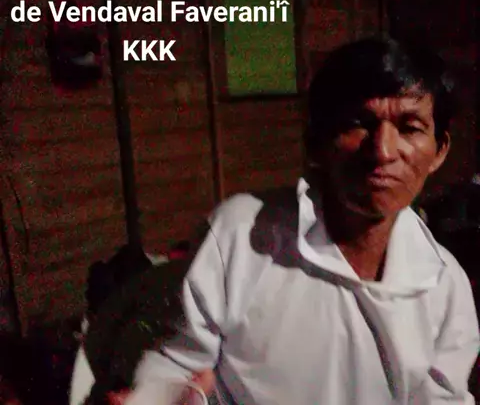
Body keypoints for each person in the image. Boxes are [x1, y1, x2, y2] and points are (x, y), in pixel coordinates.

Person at [116, 37, 480, 404]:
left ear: (439, 151)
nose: (383, 152)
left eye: (410, 128)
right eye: (358, 123)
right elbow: (174, 370)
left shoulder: (444, 287)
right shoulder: (239, 237)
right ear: (317, 142)